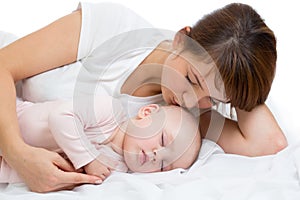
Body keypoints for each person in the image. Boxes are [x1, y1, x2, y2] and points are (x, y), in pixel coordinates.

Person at [0, 2, 287, 192]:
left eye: (212, 99)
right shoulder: (117, 30)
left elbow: (270, 143)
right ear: (180, 39)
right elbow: (4, 65)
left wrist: (242, 79)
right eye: (191, 78)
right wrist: (18, 154)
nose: (190, 100)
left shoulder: (179, 122)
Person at [0, 96, 201, 183]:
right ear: (146, 112)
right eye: (164, 140)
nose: (157, 155)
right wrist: (89, 159)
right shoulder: (109, 111)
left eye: (165, 166)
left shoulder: (117, 169)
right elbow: (60, 117)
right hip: (10, 120)